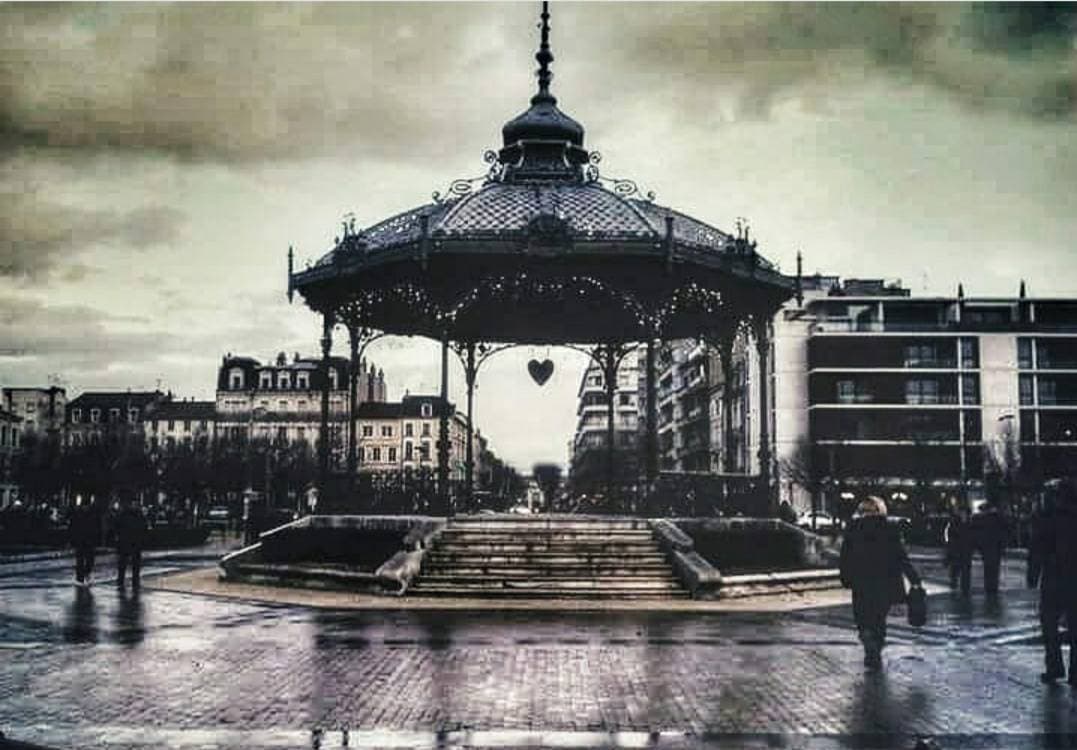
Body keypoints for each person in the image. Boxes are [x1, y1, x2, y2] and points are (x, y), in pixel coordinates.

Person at [839, 496, 922, 670]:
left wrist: (846, 578)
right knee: (879, 618)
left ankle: (867, 638)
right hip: (885, 582)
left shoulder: (853, 529)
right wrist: (914, 579)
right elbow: (901, 556)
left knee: (862, 616)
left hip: (861, 582)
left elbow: (845, 558)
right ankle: (875, 646)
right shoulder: (889, 529)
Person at [1027, 480, 1077, 684]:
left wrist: (1032, 574)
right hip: (1074, 578)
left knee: (1049, 625)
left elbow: (1037, 549)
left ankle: (1055, 667)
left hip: (1053, 578)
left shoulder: (1045, 518)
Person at [971, 501, 1009, 595]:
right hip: (995, 547)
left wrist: (978, 546)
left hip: (986, 547)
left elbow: (976, 534)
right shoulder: (999, 518)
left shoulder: (980, 519)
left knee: (987, 568)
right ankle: (993, 586)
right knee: (995, 568)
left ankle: (989, 587)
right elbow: (1004, 532)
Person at [113, 497, 147, 589]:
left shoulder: (135, 515)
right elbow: (116, 526)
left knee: (133, 564)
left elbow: (144, 528)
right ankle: (123, 581)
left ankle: (132, 582)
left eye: (136, 504)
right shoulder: (126, 515)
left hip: (133, 542)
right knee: (124, 563)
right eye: (134, 504)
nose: (135, 506)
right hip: (126, 541)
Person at [69, 495, 101, 587]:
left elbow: (97, 527)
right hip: (82, 539)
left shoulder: (91, 514)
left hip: (88, 539)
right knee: (81, 560)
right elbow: (73, 527)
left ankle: (84, 574)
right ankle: (81, 577)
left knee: (88, 559)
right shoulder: (80, 514)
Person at [944, 504, 973, 595]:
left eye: (964, 513)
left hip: (966, 550)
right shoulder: (954, 522)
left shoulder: (970, 523)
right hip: (956, 549)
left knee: (965, 571)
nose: (963, 514)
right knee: (955, 570)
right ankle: (954, 586)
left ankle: (965, 589)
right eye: (962, 512)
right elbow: (949, 535)